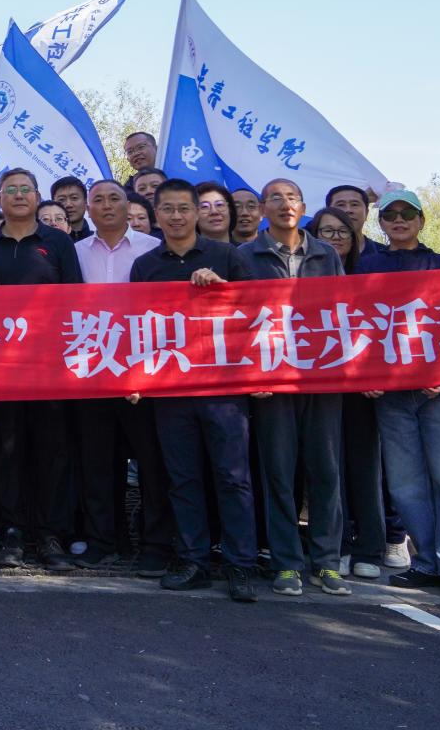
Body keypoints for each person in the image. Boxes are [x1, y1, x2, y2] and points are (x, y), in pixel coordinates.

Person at [229, 178, 348, 597]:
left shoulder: (326, 254)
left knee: (326, 470)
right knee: (278, 472)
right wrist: (252, 374)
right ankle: (286, 562)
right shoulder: (246, 255)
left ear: (303, 205)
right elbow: (235, 318)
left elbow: (344, 311)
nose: (285, 204)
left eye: (292, 197)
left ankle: (327, 561)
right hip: (272, 379)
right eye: (275, 198)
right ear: (263, 208)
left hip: (321, 375)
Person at [139, 179, 257, 603]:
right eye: (168, 209)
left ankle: (241, 564)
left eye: (183, 209)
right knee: (183, 479)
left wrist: (223, 290)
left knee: (233, 477)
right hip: (170, 390)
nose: (176, 217)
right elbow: (137, 326)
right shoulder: (146, 265)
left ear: (196, 213)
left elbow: (254, 313)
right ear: (157, 215)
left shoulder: (227, 257)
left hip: (223, 388)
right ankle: (194, 560)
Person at [358, 190, 440, 600]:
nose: (399, 219)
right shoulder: (366, 266)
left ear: (421, 220)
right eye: (390, 214)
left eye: (407, 213)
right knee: (405, 484)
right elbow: (357, 324)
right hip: (390, 392)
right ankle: (425, 562)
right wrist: (364, 375)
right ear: (381, 223)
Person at [0, 167, 84, 571]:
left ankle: (49, 534)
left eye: (26, 189)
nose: (19, 195)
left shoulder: (57, 242)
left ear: (38, 196)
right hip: (0, 366)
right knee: (7, 450)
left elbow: (74, 299)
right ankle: (12, 531)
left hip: (49, 365)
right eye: (11, 189)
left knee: (52, 451)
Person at [74, 180, 172, 573]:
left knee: (152, 463)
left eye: (114, 198)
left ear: (127, 204)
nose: (106, 205)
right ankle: (104, 539)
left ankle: (156, 542)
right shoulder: (76, 251)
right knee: (98, 462)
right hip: (92, 372)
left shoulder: (153, 248)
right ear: (87, 209)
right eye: (97, 200)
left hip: (145, 373)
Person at [310, 205, 391, 581]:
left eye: (342, 231)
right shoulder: (304, 276)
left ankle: (369, 548)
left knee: (365, 467)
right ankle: (336, 546)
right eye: (326, 232)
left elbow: (383, 328)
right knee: (328, 467)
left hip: (363, 387)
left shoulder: (369, 274)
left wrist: (374, 374)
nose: (335, 238)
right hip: (320, 386)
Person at [326, 184, 386, 255]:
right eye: (340, 205)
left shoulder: (384, 254)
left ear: (367, 213)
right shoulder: (316, 251)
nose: (348, 210)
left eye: (354, 204)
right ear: (327, 213)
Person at [50, 176, 89, 240]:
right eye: (61, 199)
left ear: (85, 202)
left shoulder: (100, 240)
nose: (68, 205)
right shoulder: (45, 241)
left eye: (74, 198)